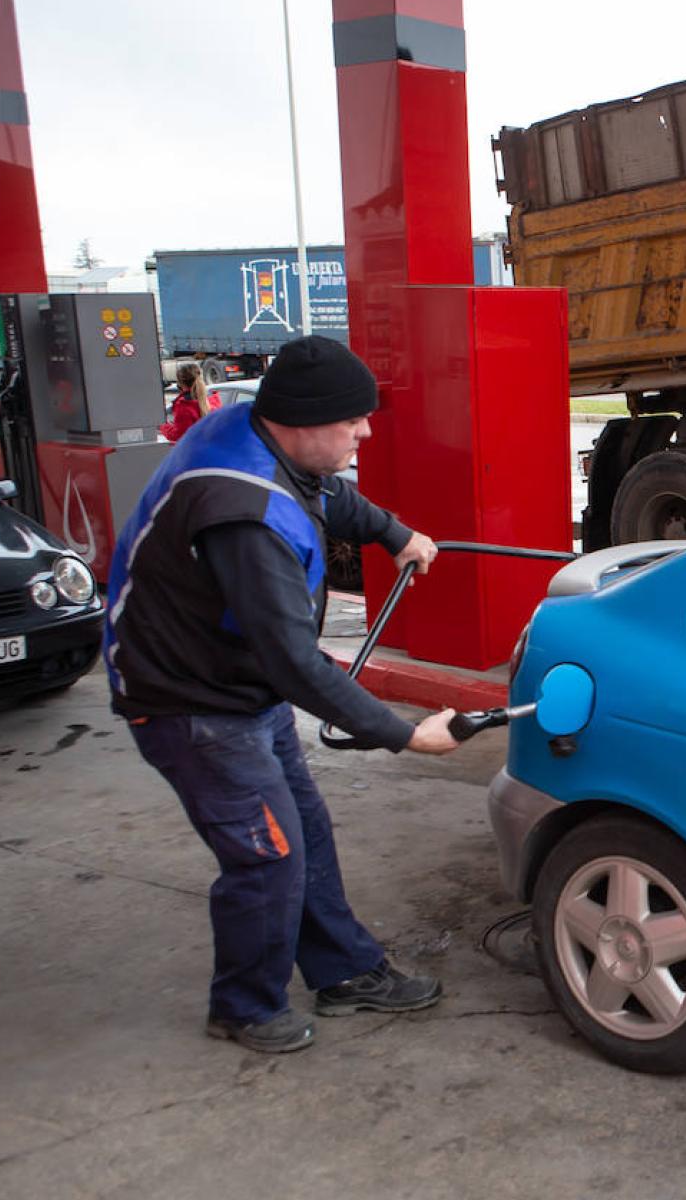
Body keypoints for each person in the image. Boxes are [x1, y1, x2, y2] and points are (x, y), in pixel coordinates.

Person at [105, 335, 462, 1054]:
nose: (366, 431)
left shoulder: (258, 433)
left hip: (235, 686)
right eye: (353, 421)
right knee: (267, 856)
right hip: (189, 703)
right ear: (302, 423)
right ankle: (243, 1005)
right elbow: (295, 665)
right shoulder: (242, 516)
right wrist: (405, 734)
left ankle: (344, 972)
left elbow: (328, 493)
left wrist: (395, 533)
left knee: (303, 832)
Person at [158, 362, 220, 443]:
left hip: (197, 452)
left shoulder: (184, 405)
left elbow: (179, 435)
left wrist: (163, 427)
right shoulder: (213, 398)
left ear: (180, 383)